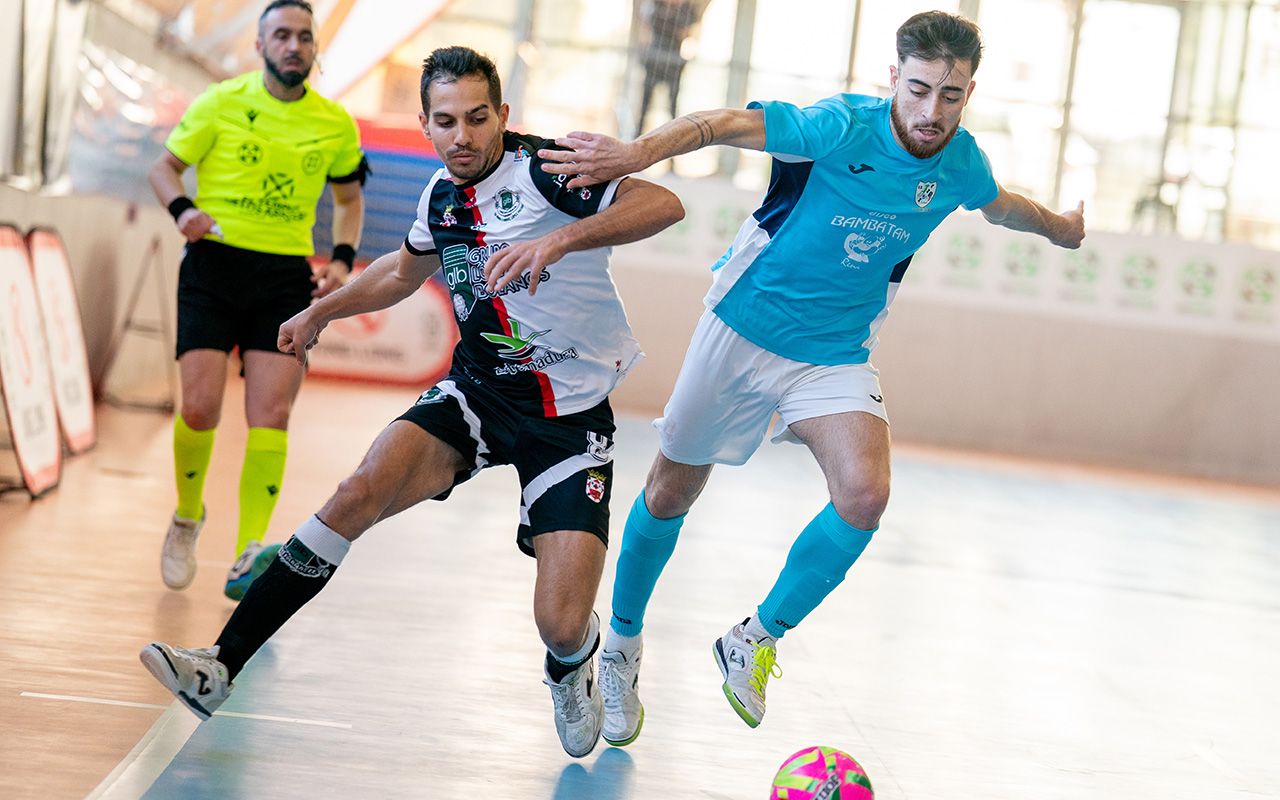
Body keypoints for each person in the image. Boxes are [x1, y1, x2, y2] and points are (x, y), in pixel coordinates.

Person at [538, 10, 1087, 743]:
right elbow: (724, 123)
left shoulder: (961, 162)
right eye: (919, 90)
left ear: (969, 91)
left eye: (950, 96)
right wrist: (634, 152)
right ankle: (625, 644)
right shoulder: (841, 127)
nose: (932, 112)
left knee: (865, 495)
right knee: (671, 491)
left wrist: (1060, 227)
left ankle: (756, 638)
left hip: (834, 355)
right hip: (741, 329)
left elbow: (1002, 206)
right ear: (893, 78)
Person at [140, 46, 684, 759]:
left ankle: (572, 664)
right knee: (356, 492)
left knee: (559, 621)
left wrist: (561, 240)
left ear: (503, 116)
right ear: (426, 124)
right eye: (446, 121)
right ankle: (221, 664)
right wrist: (320, 314)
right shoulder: (439, 196)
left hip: (569, 422)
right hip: (477, 394)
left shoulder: (550, 170)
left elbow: (664, 203)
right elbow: (401, 271)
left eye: (478, 118)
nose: (462, 136)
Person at [147, 0, 368, 601]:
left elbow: (349, 200)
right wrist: (182, 210)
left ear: (314, 48)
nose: (293, 45)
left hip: (283, 279)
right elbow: (164, 169)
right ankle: (188, 515)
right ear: (260, 45)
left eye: (304, 36)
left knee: (270, 415)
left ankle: (248, 553)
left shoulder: (334, 123)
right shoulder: (220, 102)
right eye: (281, 35)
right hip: (214, 268)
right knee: (200, 408)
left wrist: (343, 260)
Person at [636, 0, 711, 133]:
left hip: (673, 67)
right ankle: (637, 138)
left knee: (673, 109)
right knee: (644, 107)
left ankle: (674, 140)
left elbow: (688, 33)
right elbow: (646, 23)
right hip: (654, 64)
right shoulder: (655, 6)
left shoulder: (686, 10)